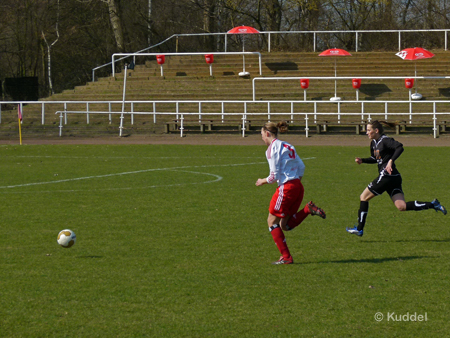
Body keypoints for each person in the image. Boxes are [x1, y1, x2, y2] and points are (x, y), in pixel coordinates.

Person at [347, 120, 447, 237]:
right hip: (394, 177)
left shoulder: (385, 140)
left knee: (363, 197)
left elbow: (399, 147)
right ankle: (433, 204)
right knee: (401, 206)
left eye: (369, 130)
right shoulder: (374, 143)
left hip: (386, 176)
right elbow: (376, 159)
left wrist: (390, 161)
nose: (366, 132)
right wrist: (362, 160)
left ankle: (359, 228)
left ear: (376, 130)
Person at [256, 121, 326, 264]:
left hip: (286, 188)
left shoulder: (271, 149)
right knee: (284, 225)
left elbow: (273, 176)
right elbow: (301, 166)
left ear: (268, 133)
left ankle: (286, 257)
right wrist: (295, 181)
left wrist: (262, 180)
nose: (262, 138)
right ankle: (307, 209)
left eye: (262, 135)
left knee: (271, 221)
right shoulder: (287, 145)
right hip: (297, 186)